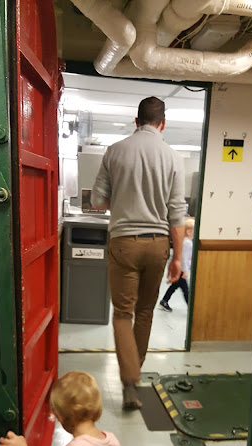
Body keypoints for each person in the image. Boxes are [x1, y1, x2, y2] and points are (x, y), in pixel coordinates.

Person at [91, 96, 186, 410]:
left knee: (122, 313)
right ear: (162, 124)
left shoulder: (115, 151)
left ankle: (128, 380)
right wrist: (177, 259)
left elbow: (98, 202)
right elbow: (177, 213)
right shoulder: (173, 157)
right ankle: (136, 376)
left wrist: (124, 192)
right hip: (159, 243)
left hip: (124, 242)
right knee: (145, 313)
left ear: (136, 121)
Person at [159, 217, 195, 312]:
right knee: (185, 290)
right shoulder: (188, 243)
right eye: (193, 231)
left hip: (181, 270)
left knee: (174, 286)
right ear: (188, 232)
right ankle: (191, 308)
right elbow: (184, 258)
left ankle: (164, 301)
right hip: (182, 270)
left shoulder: (185, 242)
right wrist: (185, 270)